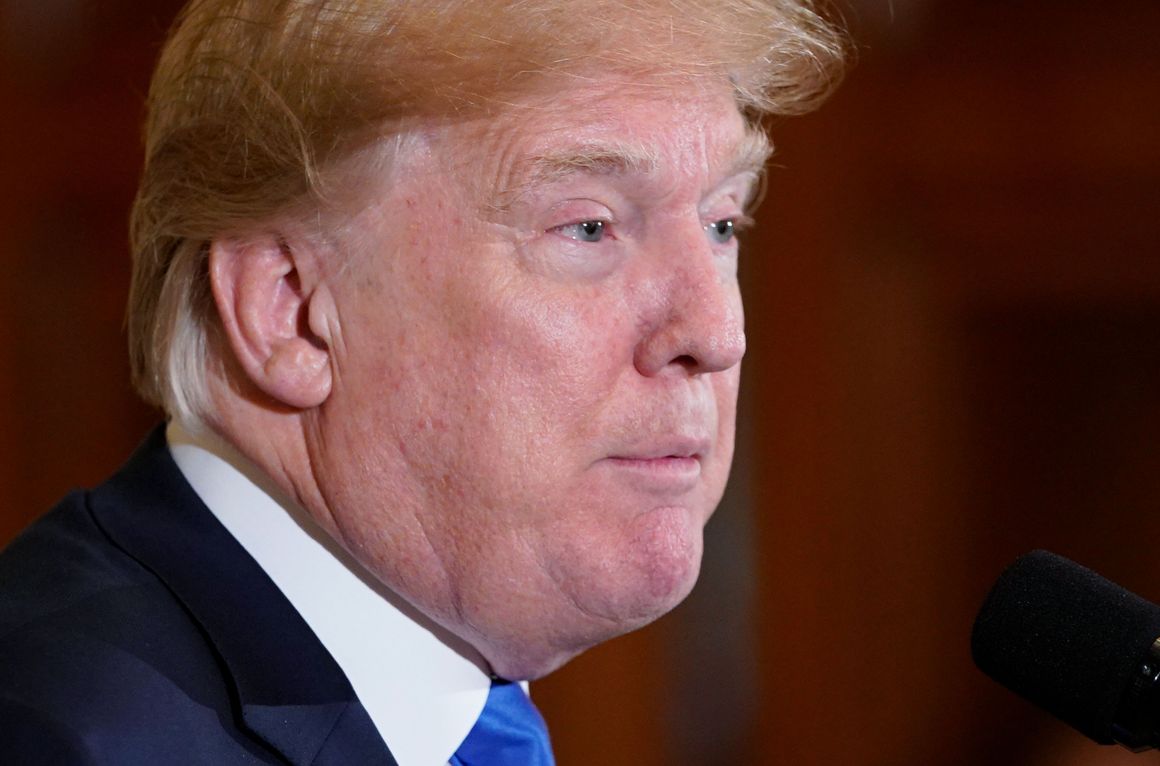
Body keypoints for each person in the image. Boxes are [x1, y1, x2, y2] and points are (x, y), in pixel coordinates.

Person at [0, 1, 844, 763]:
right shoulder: (59, 735)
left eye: (722, 222)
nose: (717, 334)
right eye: (588, 227)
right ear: (290, 311)